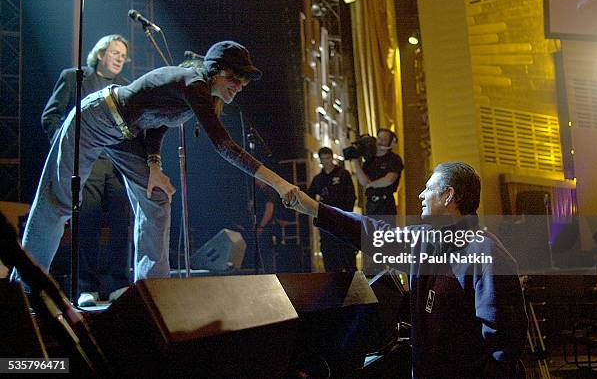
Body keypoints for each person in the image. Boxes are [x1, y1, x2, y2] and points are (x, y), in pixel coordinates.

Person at [12, 40, 299, 289]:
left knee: (157, 197)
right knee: (58, 201)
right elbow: (224, 146)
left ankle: (151, 290)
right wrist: (280, 183)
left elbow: (158, 124)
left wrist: (154, 166)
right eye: (233, 77)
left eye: (243, 82)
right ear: (215, 70)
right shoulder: (193, 83)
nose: (238, 87)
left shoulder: (197, 93)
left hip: (125, 135)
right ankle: (25, 289)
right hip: (96, 117)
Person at [286, 161, 528, 377]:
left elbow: (503, 343)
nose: (421, 195)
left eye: (430, 188)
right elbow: (372, 232)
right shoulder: (422, 241)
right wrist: (313, 208)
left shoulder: (486, 253)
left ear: (448, 196)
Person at [41, 34, 132, 307]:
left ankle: (118, 285)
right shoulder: (74, 77)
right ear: (100, 53)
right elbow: (51, 115)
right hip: (85, 161)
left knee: (120, 224)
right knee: (87, 224)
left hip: (116, 165)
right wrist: (67, 147)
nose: (119, 58)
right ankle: (86, 287)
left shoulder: (126, 87)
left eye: (123, 55)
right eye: (115, 52)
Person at [306, 147, 356, 271]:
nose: (326, 161)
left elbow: (351, 196)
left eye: (328, 158)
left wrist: (346, 215)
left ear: (332, 158)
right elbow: (310, 195)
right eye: (323, 159)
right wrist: (317, 210)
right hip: (326, 220)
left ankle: (352, 277)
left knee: (346, 250)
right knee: (329, 252)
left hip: (342, 218)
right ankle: (332, 278)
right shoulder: (318, 179)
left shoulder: (343, 174)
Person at [352, 128, 403, 217]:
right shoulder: (369, 160)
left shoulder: (394, 159)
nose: (380, 142)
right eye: (379, 138)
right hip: (371, 204)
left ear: (390, 142)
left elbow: (389, 180)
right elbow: (363, 181)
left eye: (384, 139)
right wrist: (355, 160)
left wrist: (371, 184)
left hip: (386, 204)